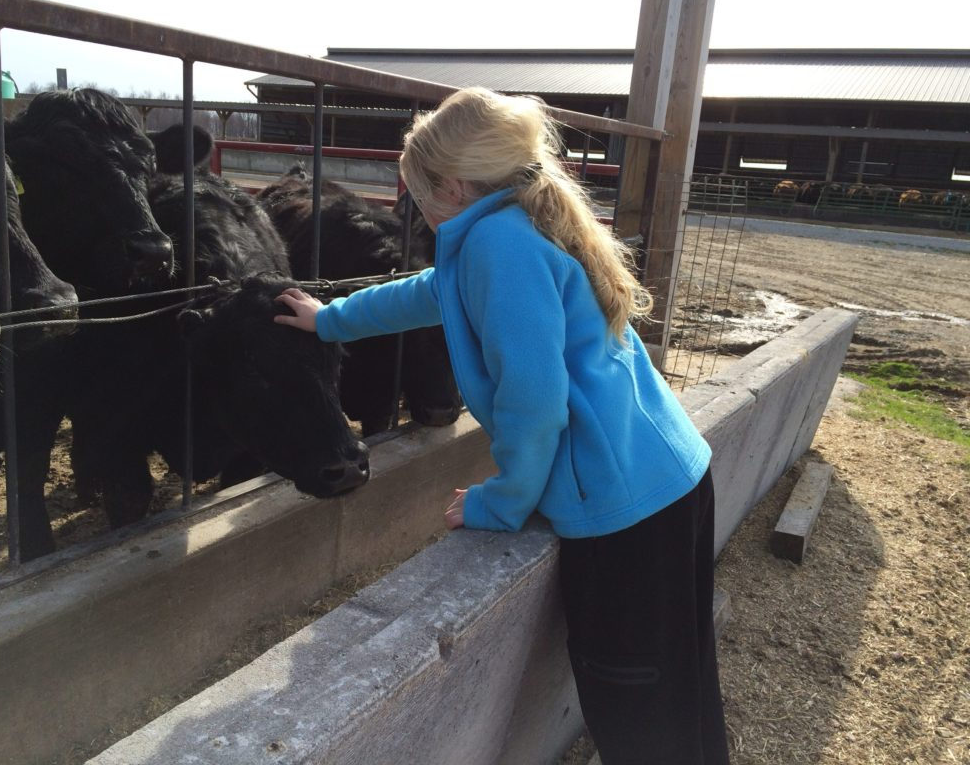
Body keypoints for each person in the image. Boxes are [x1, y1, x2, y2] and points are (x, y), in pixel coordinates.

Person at [274, 87, 730, 765]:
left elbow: (534, 402)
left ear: (454, 188)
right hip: (669, 477)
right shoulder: (521, 218)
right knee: (680, 683)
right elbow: (430, 291)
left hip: (621, 515)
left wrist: (500, 501)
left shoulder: (496, 247)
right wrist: (331, 318)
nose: (414, 211)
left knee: (632, 704)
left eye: (416, 197)